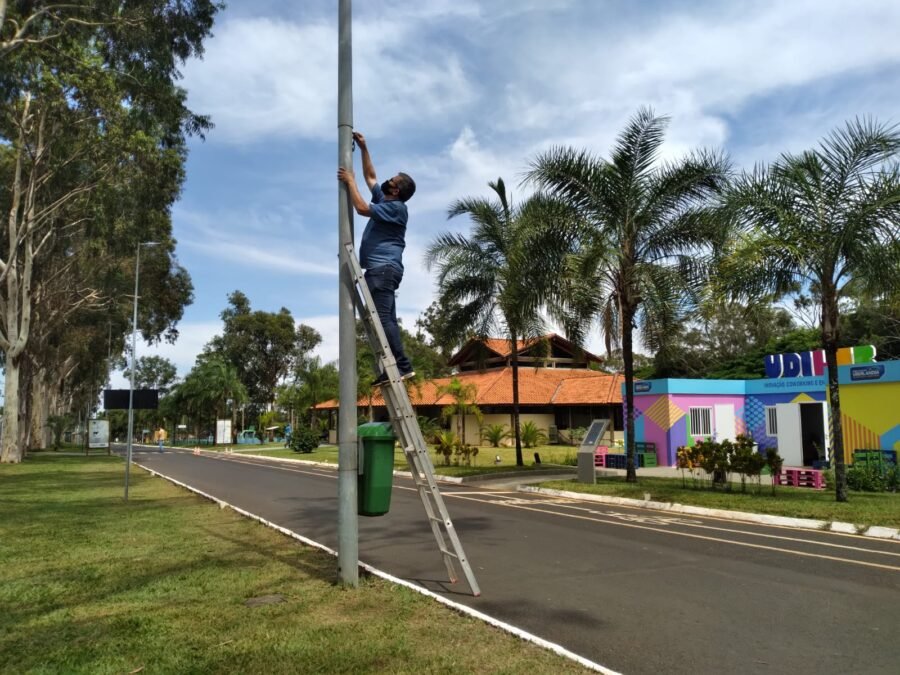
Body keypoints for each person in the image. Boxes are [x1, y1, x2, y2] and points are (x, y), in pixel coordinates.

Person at [337, 131, 416, 384]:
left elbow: (360, 208)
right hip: (382, 270)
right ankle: (394, 368)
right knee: (386, 319)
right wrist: (363, 148)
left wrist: (349, 181)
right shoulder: (385, 199)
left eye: (392, 179)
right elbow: (370, 176)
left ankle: (402, 366)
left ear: (396, 189)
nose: (386, 180)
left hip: (382, 270)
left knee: (382, 319)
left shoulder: (396, 208)